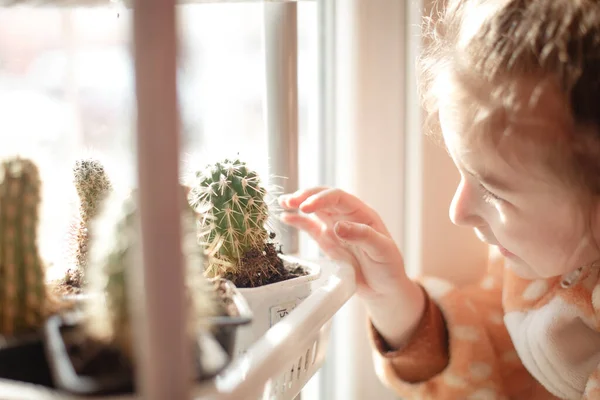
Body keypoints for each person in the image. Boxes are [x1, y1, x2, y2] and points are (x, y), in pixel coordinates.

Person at [278, 1, 600, 399]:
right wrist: (396, 302)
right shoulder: (543, 260)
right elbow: (505, 354)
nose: (457, 211)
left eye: (494, 191)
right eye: (462, 173)